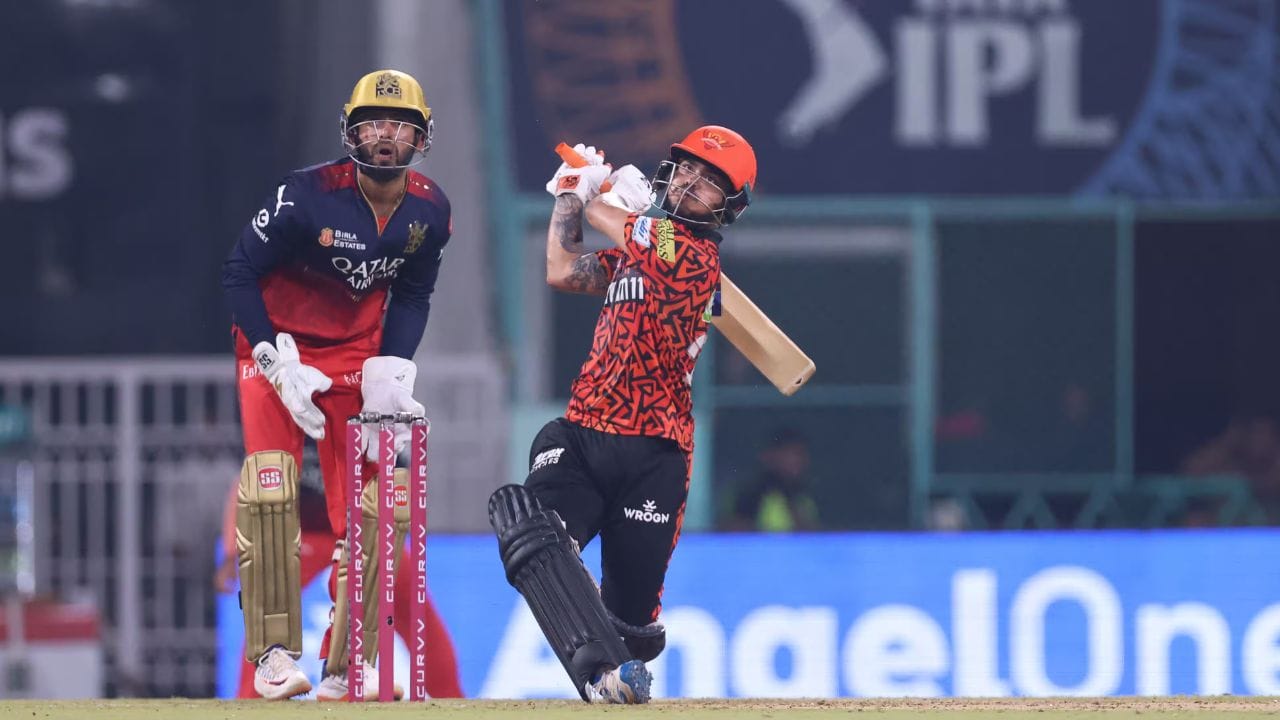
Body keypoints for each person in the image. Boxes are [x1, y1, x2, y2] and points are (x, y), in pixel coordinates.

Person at [487, 126, 757, 704]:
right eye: (687, 168)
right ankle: (597, 676)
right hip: (581, 436)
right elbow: (562, 269)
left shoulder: (694, 256)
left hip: (653, 455)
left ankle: (612, 656)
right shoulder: (642, 248)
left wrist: (597, 195)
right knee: (529, 527)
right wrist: (570, 195)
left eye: (711, 181)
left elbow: (611, 218)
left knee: (632, 630)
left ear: (729, 206)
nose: (691, 182)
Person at [220, 69, 451, 700]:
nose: (385, 136)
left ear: (421, 137)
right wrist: (271, 358)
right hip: (280, 351)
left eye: (399, 125)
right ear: (351, 132)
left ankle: (350, 660)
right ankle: (272, 657)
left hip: (354, 357)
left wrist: (392, 368)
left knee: (374, 510)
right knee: (271, 490)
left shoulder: (431, 210)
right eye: (373, 124)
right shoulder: (304, 196)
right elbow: (239, 272)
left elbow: (414, 293)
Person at [211, 463, 464, 699]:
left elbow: (402, 481)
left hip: (365, 534)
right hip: (304, 534)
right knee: (269, 617)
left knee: (417, 615)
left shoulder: (381, 432)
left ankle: (452, 700)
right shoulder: (291, 430)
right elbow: (251, 475)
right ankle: (250, 700)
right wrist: (232, 550)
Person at [724, 428, 821, 532]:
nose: (801, 461)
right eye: (794, 454)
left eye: (802, 455)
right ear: (771, 456)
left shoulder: (803, 498)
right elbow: (733, 529)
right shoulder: (752, 495)